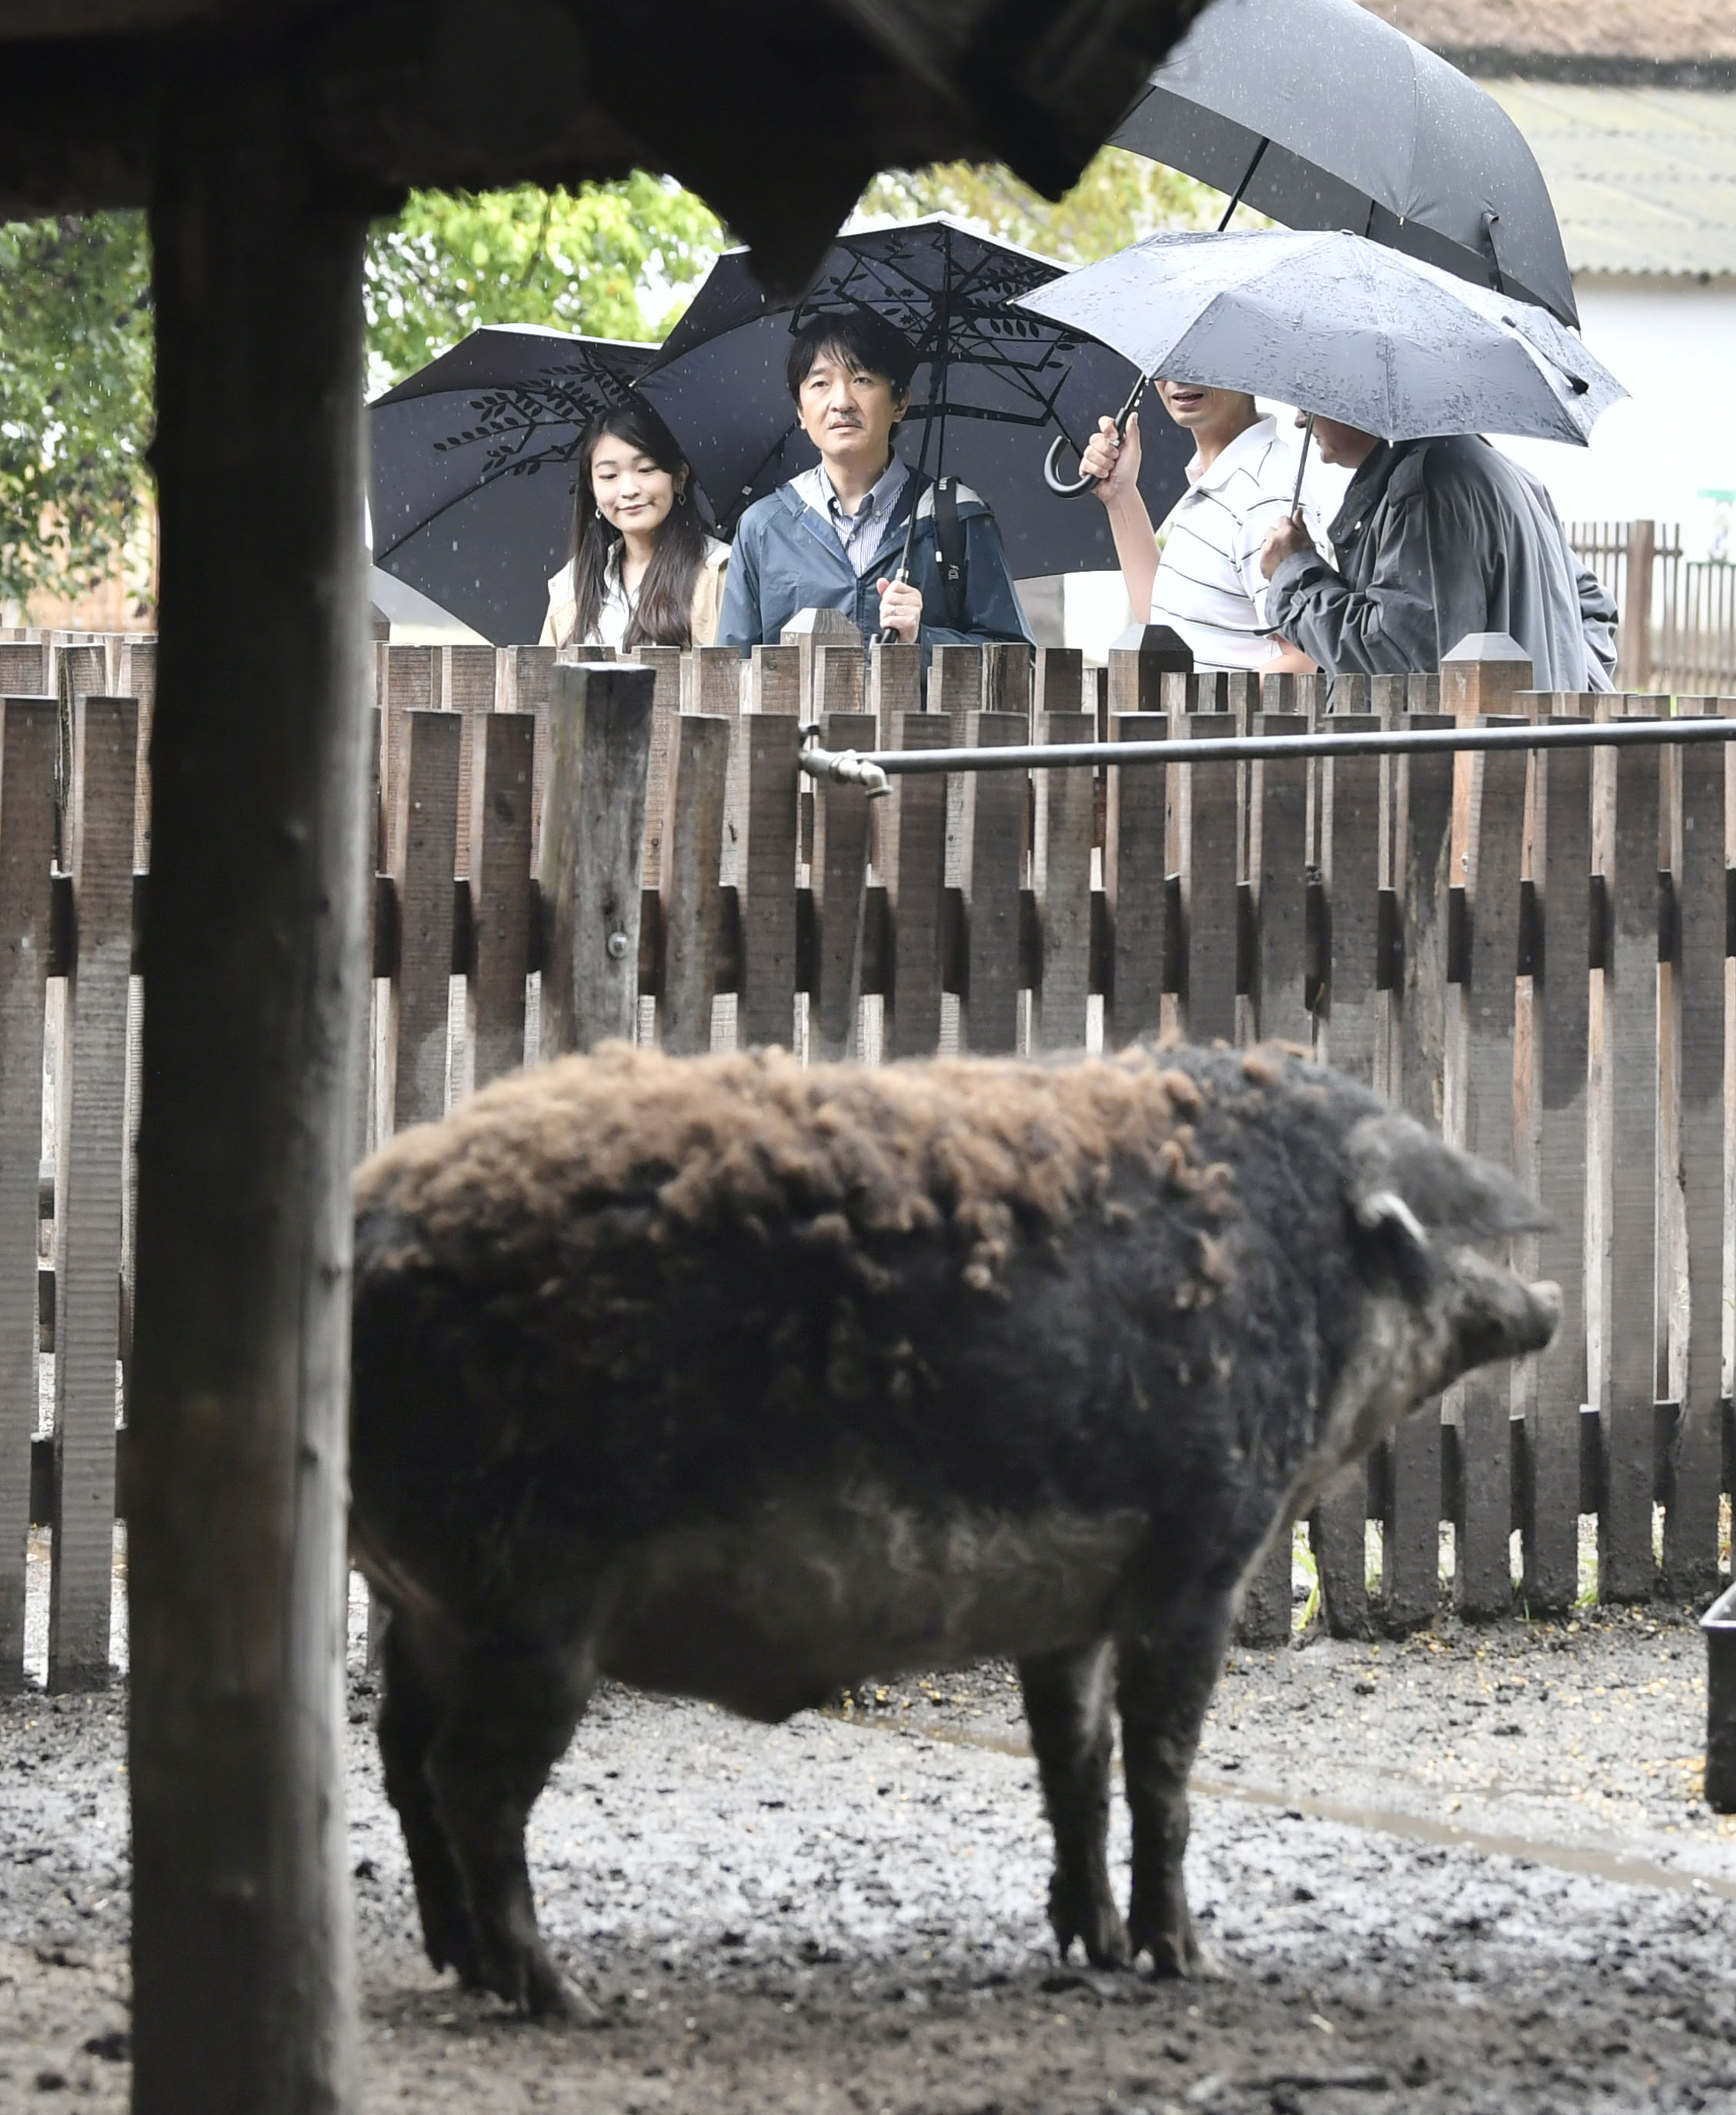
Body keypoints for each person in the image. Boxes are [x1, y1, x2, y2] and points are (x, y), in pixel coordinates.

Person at [716, 309, 1033, 653]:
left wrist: (922, 639)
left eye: (862, 379)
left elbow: (1018, 660)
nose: (842, 402)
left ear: (901, 402)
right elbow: (731, 670)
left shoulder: (955, 517)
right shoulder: (764, 526)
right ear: (801, 412)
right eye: (821, 383)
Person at [1258, 414, 1617, 690]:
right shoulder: (1492, 468)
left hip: (1477, 767)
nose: (1300, 420)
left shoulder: (1429, 488)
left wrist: (1294, 574)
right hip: (1521, 752)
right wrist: (1564, 681)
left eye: (1310, 403)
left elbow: (1398, 663)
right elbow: (1590, 605)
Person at [1078, 383, 1323, 673]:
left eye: (1194, 364)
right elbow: (1165, 631)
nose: (1179, 379)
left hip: (1223, 720)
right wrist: (1120, 495)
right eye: (1171, 357)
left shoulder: (1263, 496)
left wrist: (1199, 711)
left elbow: (1305, 660)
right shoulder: (1222, 478)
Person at [542, 402, 730, 652]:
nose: (629, 490)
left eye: (645, 469)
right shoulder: (570, 586)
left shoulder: (720, 573)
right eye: (609, 476)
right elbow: (544, 682)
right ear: (593, 489)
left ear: (679, 477)